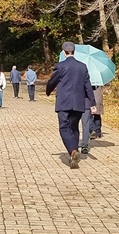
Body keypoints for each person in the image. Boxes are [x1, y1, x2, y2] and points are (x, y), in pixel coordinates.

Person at [44, 41, 95, 169]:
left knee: (64, 128)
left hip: (63, 102)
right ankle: (73, 155)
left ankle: (72, 151)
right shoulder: (82, 67)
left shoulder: (60, 66)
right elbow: (88, 86)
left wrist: (48, 91)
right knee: (74, 128)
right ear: (74, 51)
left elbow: (52, 81)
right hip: (78, 103)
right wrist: (92, 103)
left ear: (63, 52)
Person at [79, 83, 104, 155]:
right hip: (86, 102)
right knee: (86, 124)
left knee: (76, 124)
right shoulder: (89, 78)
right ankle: (84, 146)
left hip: (76, 102)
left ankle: (76, 145)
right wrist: (92, 103)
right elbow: (90, 91)